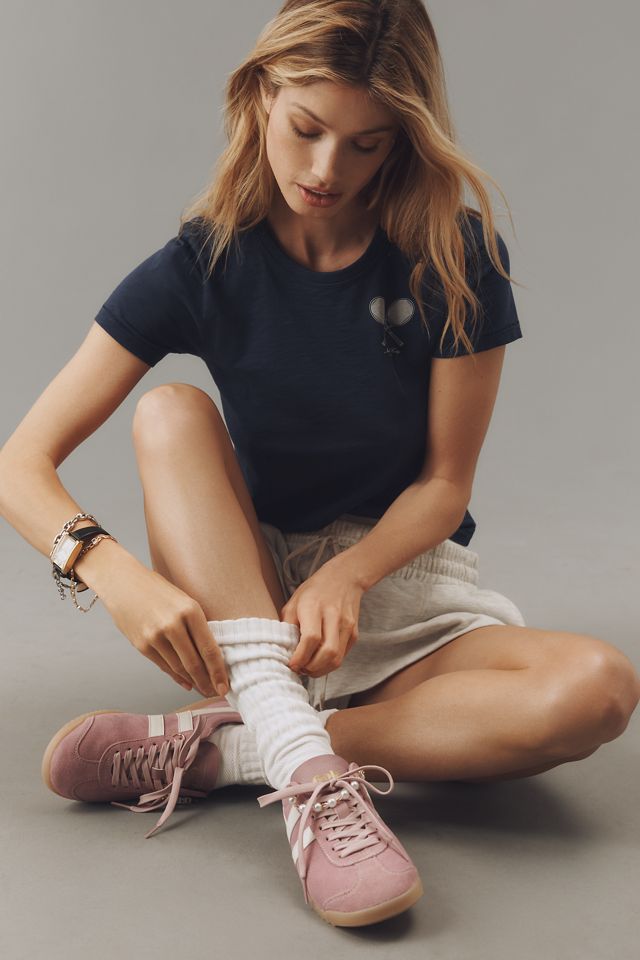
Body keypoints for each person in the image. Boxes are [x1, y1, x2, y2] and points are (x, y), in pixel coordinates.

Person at [1, 0, 639, 930]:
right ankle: (304, 764)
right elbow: (19, 462)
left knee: (599, 688)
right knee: (169, 413)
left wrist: (351, 574)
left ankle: (245, 747)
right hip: (249, 598)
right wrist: (111, 572)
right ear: (262, 96)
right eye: (306, 129)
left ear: (402, 142)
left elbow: (444, 484)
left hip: (402, 591)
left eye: (365, 145)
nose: (326, 169)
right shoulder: (203, 264)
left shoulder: (454, 256)